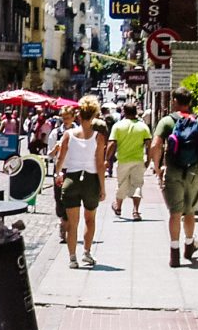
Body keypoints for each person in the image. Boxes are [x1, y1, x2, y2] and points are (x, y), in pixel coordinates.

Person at [149, 86, 198, 267]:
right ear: (190, 103)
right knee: (190, 211)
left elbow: (155, 145)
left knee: (175, 212)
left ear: (174, 102)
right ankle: (189, 245)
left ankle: (174, 252)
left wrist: (157, 168)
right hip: (194, 172)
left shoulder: (167, 122)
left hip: (173, 171)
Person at [54, 95, 107, 268]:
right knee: (90, 219)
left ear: (79, 115)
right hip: (90, 180)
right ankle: (86, 252)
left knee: (72, 223)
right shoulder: (98, 137)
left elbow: (60, 158)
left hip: (72, 179)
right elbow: (100, 164)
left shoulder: (68, 134)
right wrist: (103, 187)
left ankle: (72, 258)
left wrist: (57, 174)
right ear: (94, 116)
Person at [107, 102, 152, 220]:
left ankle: (118, 207)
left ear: (124, 112)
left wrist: (107, 159)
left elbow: (112, 143)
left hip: (123, 160)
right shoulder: (143, 127)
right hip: (138, 159)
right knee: (137, 184)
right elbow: (148, 145)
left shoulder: (118, 126)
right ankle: (136, 211)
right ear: (135, 112)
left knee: (122, 183)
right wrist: (149, 159)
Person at [47, 106, 77, 243]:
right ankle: (63, 222)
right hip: (60, 169)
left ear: (73, 117)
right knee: (59, 198)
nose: (65, 121)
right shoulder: (55, 133)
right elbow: (49, 155)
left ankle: (68, 225)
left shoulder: (79, 132)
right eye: (63, 118)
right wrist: (55, 149)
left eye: (68, 118)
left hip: (75, 168)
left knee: (72, 198)